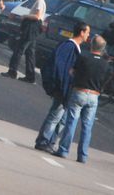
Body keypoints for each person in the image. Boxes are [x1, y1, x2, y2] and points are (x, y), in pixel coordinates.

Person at [53, 35, 111, 163]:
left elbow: (72, 72)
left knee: (71, 122)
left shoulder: (83, 57)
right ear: (103, 48)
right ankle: (82, 155)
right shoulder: (105, 64)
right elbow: (107, 79)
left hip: (80, 91)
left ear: (91, 44)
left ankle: (63, 150)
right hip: (94, 95)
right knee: (87, 126)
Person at [36, 21, 91, 152]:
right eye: (87, 32)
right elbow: (60, 67)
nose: (88, 35)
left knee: (62, 119)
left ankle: (50, 141)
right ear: (82, 32)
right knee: (55, 115)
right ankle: (43, 140)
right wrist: (61, 86)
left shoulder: (75, 48)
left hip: (68, 89)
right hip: (63, 89)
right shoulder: (69, 46)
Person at [3, 0, 46, 83]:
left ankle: (12, 71)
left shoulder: (40, 2)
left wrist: (25, 16)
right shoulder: (39, 2)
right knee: (30, 53)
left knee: (19, 49)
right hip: (33, 29)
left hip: (32, 28)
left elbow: (37, 16)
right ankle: (30, 77)